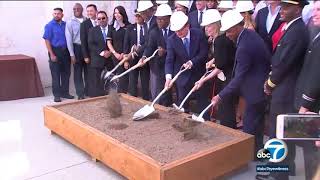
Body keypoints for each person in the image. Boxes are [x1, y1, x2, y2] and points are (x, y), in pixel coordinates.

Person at [211, 10, 271, 155]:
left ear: (238, 27)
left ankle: (247, 159)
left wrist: (220, 96)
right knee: (256, 128)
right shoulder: (249, 35)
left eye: (230, 31)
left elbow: (238, 78)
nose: (227, 35)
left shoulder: (244, 46)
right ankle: (257, 156)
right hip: (258, 88)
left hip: (255, 92)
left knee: (249, 129)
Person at [263, 1, 310, 180]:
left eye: (286, 7)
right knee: (284, 132)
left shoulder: (297, 31)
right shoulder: (291, 28)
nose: (281, 10)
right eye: (281, 7)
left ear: (297, 9)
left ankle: (279, 172)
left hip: (285, 89)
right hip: (284, 88)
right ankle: (285, 166)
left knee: (280, 132)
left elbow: (284, 63)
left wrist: (270, 83)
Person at [195, 9, 237, 128]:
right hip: (227, 75)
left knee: (225, 108)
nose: (206, 29)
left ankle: (228, 131)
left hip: (228, 77)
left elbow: (220, 67)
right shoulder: (220, 38)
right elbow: (222, 57)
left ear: (216, 25)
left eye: (209, 26)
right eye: (205, 26)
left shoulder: (219, 40)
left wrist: (202, 80)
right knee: (225, 106)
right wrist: (212, 60)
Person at [165, 11, 210, 119]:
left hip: (199, 76)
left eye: (180, 30)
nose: (178, 33)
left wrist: (193, 62)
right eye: (176, 31)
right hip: (183, 78)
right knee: (182, 105)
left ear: (187, 26)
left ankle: (206, 123)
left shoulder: (198, 34)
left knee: (203, 102)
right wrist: (168, 78)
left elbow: (203, 53)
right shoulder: (171, 40)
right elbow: (169, 60)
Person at [294, 1, 320, 179]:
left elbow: (315, 76)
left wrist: (304, 106)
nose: (313, 13)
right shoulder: (316, 34)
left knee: (311, 152)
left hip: (312, 107)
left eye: (319, 10)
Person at [143, 4, 173, 106]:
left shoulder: (175, 30)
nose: (159, 21)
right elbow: (149, 47)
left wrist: (166, 51)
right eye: (157, 19)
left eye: (162, 19)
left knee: (175, 91)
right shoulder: (154, 32)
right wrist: (144, 57)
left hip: (175, 65)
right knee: (162, 91)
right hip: (159, 67)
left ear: (169, 18)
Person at [43, 7, 74, 102]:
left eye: (58, 13)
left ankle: (65, 92)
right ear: (53, 15)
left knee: (66, 73)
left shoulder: (66, 25)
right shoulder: (49, 25)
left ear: (62, 15)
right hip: (55, 51)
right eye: (55, 13)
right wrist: (52, 54)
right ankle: (57, 95)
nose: (56, 15)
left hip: (66, 52)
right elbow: (47, 40)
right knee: (56, 74)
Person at [124, 10, 150, 100]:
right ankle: (133, 98)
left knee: (145, 80)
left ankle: (146, 99)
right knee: (133, 79)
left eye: (139, 16)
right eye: (136, 16)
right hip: (133, 57)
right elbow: (126, 44)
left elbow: (149, 42)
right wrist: (126, 60)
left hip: (144, 57)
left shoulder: (148, 27)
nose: (138, 18)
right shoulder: (130, 28)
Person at [87, 11, 113, 97]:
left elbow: (117, 43)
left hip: (111, 60)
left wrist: (111, 52)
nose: (101, 20)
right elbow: (91, 44)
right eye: (99, 19)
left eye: (103, 18)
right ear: (97, 20)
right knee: (97, 84)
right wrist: (102, 52)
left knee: (110, 82)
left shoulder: (112, 29)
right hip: (97, 60)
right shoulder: (92, 30)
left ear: (107, 18)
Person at [107, 6, 131, 94]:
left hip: (126, 56)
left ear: (123, 14)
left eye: (118, 13)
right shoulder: (111, 27)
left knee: (125, 77)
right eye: (115, 13)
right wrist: (115, 53)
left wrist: (125, 55)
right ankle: (119, 95)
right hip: (115, 56)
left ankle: (123, 94)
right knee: (118, 77)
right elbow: (109, 42)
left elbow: (130, 42)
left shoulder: (129, 26)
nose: (116, 15)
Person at [65, 3, 87, 100]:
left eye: (78, 8)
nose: (76, 10)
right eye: (74, 9)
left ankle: (88, 90)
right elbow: (68, 39)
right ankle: (80, 93)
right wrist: (71, 54)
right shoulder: (70, 22)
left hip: (87, 49)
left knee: (88, 71)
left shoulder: (87, 20)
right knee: (78, 73)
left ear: (82, 9)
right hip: (76, 48)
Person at [80, 4, 98, 97]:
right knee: (90, 75)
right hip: (90, 54)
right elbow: (83, 41)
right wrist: (85, 56)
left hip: (101, 55)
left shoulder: (100, 21)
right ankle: (90, 94)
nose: (89, 13)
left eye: (91, 11)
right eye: (88, 11)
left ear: (96, 11)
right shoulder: (84, 24)